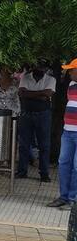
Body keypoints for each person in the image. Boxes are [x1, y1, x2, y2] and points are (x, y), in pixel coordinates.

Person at [16, 59, 57, 182]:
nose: (41, 68)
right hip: (27, 113)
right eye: (39, 66)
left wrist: (30, 94)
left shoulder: (51, 79)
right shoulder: (25, 77)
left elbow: (48, 94)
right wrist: (41, 95)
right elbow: (22, 94)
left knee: (44, 145)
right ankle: (22, 171)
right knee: (24, 144)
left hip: (43, 114)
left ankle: (44, 174)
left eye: (43, 67)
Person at [48, 58, 77, 208]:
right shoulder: (71, 85)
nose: (69, 73)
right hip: (68, 131)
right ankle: (63, 196)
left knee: (76, 166)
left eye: (72, 70)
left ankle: (73, 199)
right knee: (64, 163)